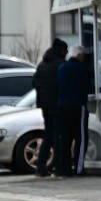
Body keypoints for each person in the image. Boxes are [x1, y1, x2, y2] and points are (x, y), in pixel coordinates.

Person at [30, 40, 68, 177]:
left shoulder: (42, 65)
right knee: (58, 136)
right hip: (58, 106)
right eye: (65, 51)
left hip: (45, 106)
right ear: (62, 51)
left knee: (49, 136)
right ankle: (58, 166)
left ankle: (41, 167)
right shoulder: (61, 65)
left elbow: (34, 83)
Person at [54, 45, 93, 177]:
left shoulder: (61, 68)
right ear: (79, 55)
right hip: (77, 106)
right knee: (81, 138)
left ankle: (64, 169)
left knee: (65, 139)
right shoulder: (81, 68)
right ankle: (79, 168)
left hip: (61, 107)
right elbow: (86, 86)